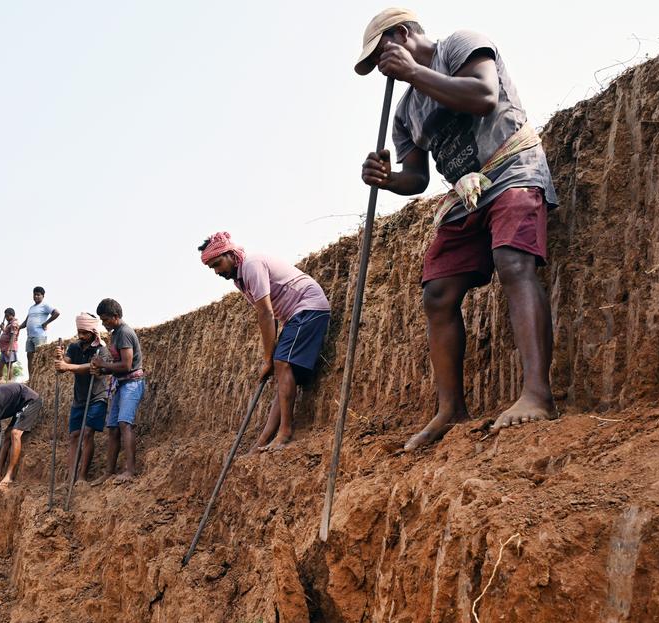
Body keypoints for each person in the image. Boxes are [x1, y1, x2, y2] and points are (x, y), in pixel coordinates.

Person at [357, 9, 558, 450]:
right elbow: (417, 178)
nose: (382, 71)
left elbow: (484, 96)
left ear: (402, 34)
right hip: (465, 195)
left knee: (512, 262)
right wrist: (388, 180)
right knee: (437, 293)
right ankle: (451, 408)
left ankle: (537, 394)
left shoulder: (460, 45)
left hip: (510, 168)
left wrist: (414, 72)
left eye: (381, 56)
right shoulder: (406, 111)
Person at [200, 232, 331, 450]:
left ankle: (285, 433)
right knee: (282, 373)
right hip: (294, 316)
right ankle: (263, 440)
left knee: (281, 363)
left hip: (308, 307)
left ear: (231, 254)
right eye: (212, 267)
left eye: (218, 264)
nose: (217, 271)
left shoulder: (252, 265)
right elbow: (269, 315)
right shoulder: (239, 280)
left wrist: (268, 358)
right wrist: (272, 356)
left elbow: (266, 314)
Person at [90, 298, 145, 483]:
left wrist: (103, 364)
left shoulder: (124, 333)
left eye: (105, 320)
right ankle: (109, 471)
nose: (104, 323)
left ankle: (130, 470)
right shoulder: (115, 333)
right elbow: (116, 366)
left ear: (115, 316)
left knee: (124, 423)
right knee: (113, 427)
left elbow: (127, 365)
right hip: (121, 383)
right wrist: (102, 369)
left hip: (132, 383)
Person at [54, 313, 111, 482]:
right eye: (79, 331)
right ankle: (71, 477)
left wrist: (67, 365)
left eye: (85, 332)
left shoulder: (101, 348)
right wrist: (59, 358)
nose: (81, 335)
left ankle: (82, 477)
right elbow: (61, 366)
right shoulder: (74, 347)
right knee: (74, 436)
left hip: (96, 397)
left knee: (87, 434)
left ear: (93, 331)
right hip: (79, 399)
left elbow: (90, 366)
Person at [22, 286, 60, 378]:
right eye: (34, 295)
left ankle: (40, 377)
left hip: (39, 335)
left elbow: (57, 313)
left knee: (39, 357)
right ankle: (31, 378)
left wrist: (46, 323)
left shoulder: (45, 305)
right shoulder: (31, 308)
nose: (36, 297)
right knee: (29, 356)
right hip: (30, 336)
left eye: (38, 295)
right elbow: (26, 321)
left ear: (43, 296)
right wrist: (18, 327)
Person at [0, 308, 20, 382]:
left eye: (7, 316)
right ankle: (0, 381)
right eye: (5, 316)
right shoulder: (9, 323)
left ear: (12, 315)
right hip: (4, 349)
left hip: (9, 348)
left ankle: (9, 382)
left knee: (9, 365)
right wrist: (3, 328)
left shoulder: (14, 324)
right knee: (0, 365)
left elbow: (13, 337)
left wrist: (8, 349)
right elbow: (7, 334)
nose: (6, 318)